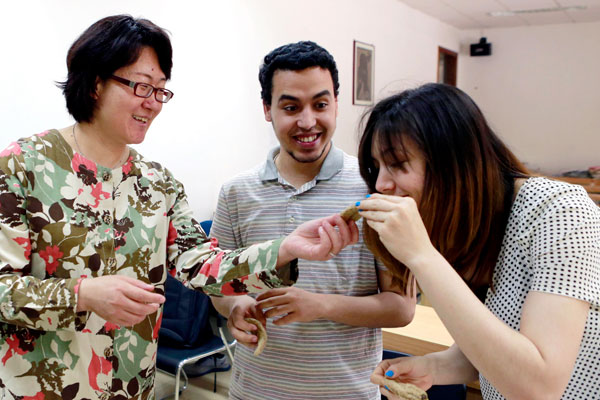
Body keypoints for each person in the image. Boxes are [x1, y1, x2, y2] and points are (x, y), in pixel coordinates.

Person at [0, 16, 357, 400]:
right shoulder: (23, 167)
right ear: (95, 82)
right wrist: (82, 295)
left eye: (160, 90)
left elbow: (202, 265)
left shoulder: (158, 184)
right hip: (40, 386)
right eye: (140, 86)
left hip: (131, 385)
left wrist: (286, 249)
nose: (152, 103)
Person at [357, 83, 600, 400]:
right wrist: (432, 367)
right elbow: (491, 350)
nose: (381, 184)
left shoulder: (559, 210)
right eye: (376, 168)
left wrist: (422, 256)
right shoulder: (467, 225)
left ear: (454, 163)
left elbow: (539, 387)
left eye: (398, 165)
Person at [210, 41, 416, 400]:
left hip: (347, 392)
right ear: (267, 109)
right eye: (290, 107)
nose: (308, 122)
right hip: (254, 391)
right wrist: (236, 307)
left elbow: (401, 307)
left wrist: (321, 306)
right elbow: (220, 287)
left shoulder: (376, 187)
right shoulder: (235, 193)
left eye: (320, 105)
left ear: (336, 103)